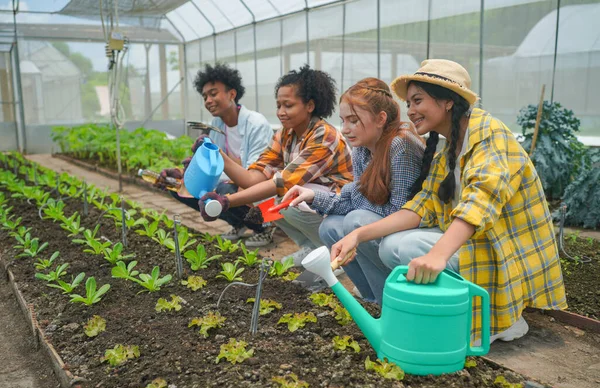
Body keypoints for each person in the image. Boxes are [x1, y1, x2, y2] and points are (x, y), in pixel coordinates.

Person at [330, 59, 567, 344]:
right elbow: (422, 206)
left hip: (502, 247)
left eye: (418, 100)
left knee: (403, 246)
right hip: (475, 241)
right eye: (408, 103)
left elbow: (481, 200)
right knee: (392, 246)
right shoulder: (448, 150)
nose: (410, 110)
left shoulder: (488, 133)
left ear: (447, 102)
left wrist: (438, 255)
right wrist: (357, 235)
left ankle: (503, 319)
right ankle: (455, 312)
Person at [281, 78, 425, 303]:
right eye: (343, 120)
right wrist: (313, 196)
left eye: (353, 121)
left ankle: (391, 301)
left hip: (410, 231)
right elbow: (356, 199)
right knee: (330, 227)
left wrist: (353, 199)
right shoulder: (363, 149)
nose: (345, 129)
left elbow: (402, 211)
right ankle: (371, 300)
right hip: (386, 225)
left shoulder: (401, 146)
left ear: (380, 119)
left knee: (355, 220)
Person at [198, 65, 353, 268]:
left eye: (288, 105)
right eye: (278, 105)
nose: (281, 112)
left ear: (310, 105)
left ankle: (333, 256)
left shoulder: (324, 136)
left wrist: (226, 201)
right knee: (264, 196)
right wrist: (217, 154)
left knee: (287, 198)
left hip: (339, 206)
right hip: (313, 200)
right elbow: (252, 178)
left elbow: (282, 183)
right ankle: (310, 246)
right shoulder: (285, 134)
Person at [156, 62, 274, 246]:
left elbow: (254, 176)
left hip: (262, 192)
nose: (208, 101)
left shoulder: (256, 124)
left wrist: (221, 180)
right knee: (179, 187)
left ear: (232, 94)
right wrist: (183, 175)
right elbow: (213, 167)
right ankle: (238, 223)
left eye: (213, 94)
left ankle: (265, 227)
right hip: (235, 186)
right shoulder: (217, 125)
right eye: (204, 97)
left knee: (223, 190)